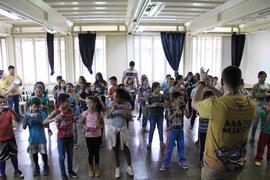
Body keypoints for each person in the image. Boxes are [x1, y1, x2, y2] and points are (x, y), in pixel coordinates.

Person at [192, 66, 256, 180]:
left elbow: (194, 102)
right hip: (238, 165)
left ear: (221, 81)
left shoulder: (215, 105)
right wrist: (210, 87)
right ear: (241, 82)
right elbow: (230, 100)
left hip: (215, 167)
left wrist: (202, 82)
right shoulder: (251, 103)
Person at [43, 94, 78, 180]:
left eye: (68, 101)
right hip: (61, 137)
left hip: (70, 136)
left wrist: (75, 118)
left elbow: (72, 119)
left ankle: (70, 170)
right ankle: (63, 174)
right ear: (61, 103)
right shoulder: (56, 112)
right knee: (62, 156)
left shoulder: (70, 110)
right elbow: (44, 122)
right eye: (67, 101)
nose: (69, 103)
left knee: (70, 155)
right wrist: (54, 119)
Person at [160, 91, 190, 171]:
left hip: (180, 130)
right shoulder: (170, 108)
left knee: (181, 147)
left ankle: (182, 161)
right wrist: (176, 111)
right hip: (172, 130)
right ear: (174, 99)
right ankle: (165, 163)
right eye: (179, 98)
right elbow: (169, 118)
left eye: (182, 99)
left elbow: (188, 116)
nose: (181, 100)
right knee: (169, 148)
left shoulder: (182, 107)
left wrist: (185, 108)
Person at [107, 89, 133, 179]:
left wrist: (126, 110)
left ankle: (129, 167)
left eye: (116, 96)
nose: (114, 97)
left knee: (126, 148)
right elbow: (107, 116)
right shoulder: (111, 104)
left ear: (121, 98)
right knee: (115, 148)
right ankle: (117, 168)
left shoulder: (127, 104)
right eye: (114, 96)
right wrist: (112, 109)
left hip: (123, 128)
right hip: (114, 129)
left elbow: (130, 118)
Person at [23, 97, 49, 176]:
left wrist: (39, 119)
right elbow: (24, 127)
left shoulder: (42, 114)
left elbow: (47, 125)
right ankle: (36, 166)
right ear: (30, 106)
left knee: (44, 153)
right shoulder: (28, 114)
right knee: (34, 154)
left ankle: (46, 166)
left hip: (41, 138)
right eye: (34, 106)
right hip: (32, 139)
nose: (36, 108)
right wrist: (26, 119)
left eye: (38, 106)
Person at [0, 96, 24, 179]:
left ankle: (16, 171)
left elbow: (17, 120)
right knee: (1, 157)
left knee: (14, 155)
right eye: (0, 103)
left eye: (4, 102)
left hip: (10, 138)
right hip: (1, 140)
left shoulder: (9, 112)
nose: (3, 104)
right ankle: (2, 174)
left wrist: (12, 110)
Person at [80, 96, 105, 177]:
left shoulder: (99, 113)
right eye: (87, 103)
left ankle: (97, 167)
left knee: (97, 153)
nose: (88, 105)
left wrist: (98, 126)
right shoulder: (85, 113)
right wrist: (85, 127)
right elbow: (81, 123)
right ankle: (90, 168)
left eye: (90, 103)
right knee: (90, 153)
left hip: (97, 136)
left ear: (95, 103)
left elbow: (102, 124)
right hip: (88, 136)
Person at [250, 71, 270, 143]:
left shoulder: (268, 85)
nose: (263, 78)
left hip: (265, 104)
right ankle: (252, 136)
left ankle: (262, 138)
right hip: (258, 104)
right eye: (261, 77)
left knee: (264, 122)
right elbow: (253, 96)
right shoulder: (255, 86)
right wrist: (263, 94)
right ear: (258, 77)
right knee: (256, 121)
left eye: (264, 77)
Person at [146, 82, 165, 149]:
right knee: (152, 128)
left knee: (160, 128)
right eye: (158, 87)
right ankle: (149, 143)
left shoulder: (161, 96)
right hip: (152, 115)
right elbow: (147, 105)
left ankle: (161, 142)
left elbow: (165, 105)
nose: (160, 88)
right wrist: (153, 105)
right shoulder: (150, 96)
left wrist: (160, 104)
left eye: (160, 87)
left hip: (160, 114)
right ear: (154, 88)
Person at [198, 91, 215, 166]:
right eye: (211, 97)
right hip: (208, 130)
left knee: (204, 147)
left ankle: (203, 162)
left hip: (204, 130)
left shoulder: (201, 104)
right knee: (206, 147)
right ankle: (204, 162)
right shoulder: (203, 104)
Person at [254, 96, 270, 166]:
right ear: (266, 103)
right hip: (264, 132)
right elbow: (264, 121)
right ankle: (258, 159)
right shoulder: (262, 110)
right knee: (261, 146)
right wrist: (266, 112)